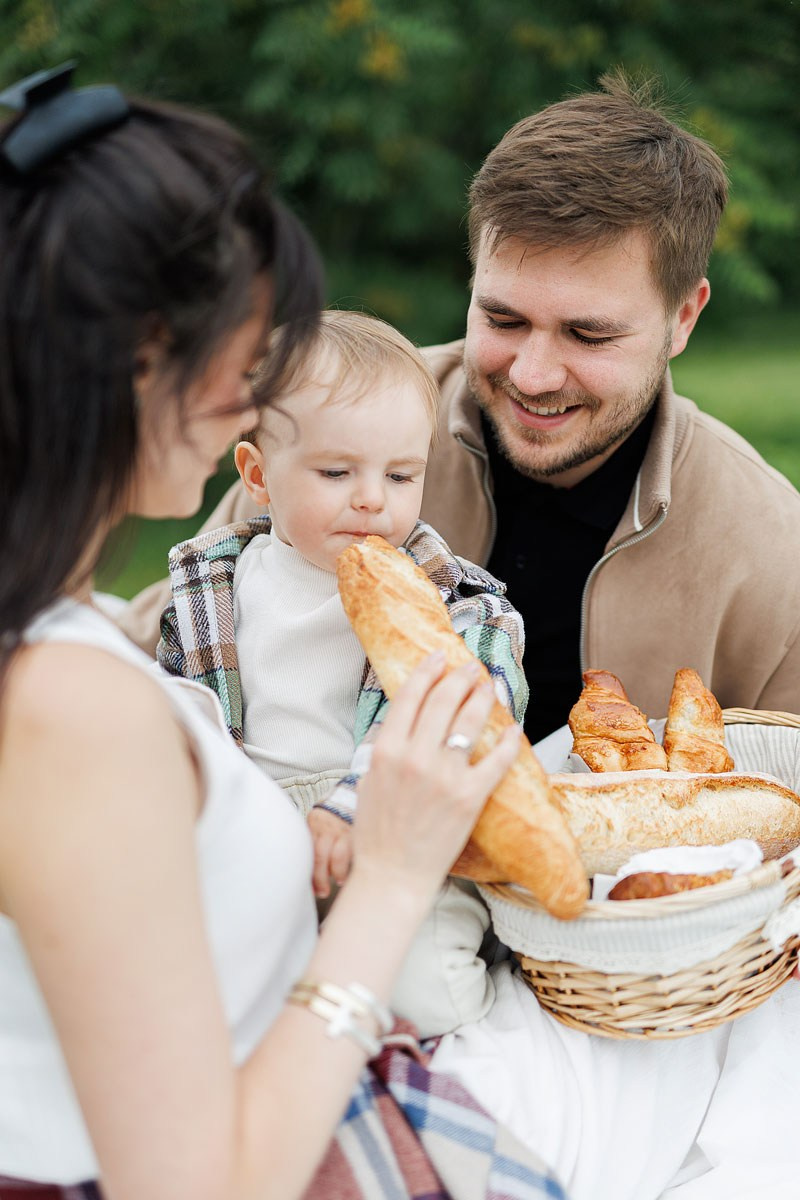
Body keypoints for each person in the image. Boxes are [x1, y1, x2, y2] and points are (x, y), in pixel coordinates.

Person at [0, 64, 561, 1200]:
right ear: (136, 357)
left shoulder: (71, 631)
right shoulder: (66, 709)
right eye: (248, 337)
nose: (259, 376)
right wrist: (397, 871)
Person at [119, 72, 800, 744]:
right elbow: (138, 660)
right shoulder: (335, 421)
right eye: (502, 319)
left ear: (684, 318)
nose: (532, 376)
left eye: (587, 334)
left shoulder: (772, 550)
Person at [156, 309, 527, 908]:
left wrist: (352, 808)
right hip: (245, 833)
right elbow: (177, 711)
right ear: (258, 475)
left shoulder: (452, 602)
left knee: (431, 977)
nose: (373, 500)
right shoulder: (213, 589)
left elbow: (467, 714)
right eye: (336, 472)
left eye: (402, 476)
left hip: (392, 835)